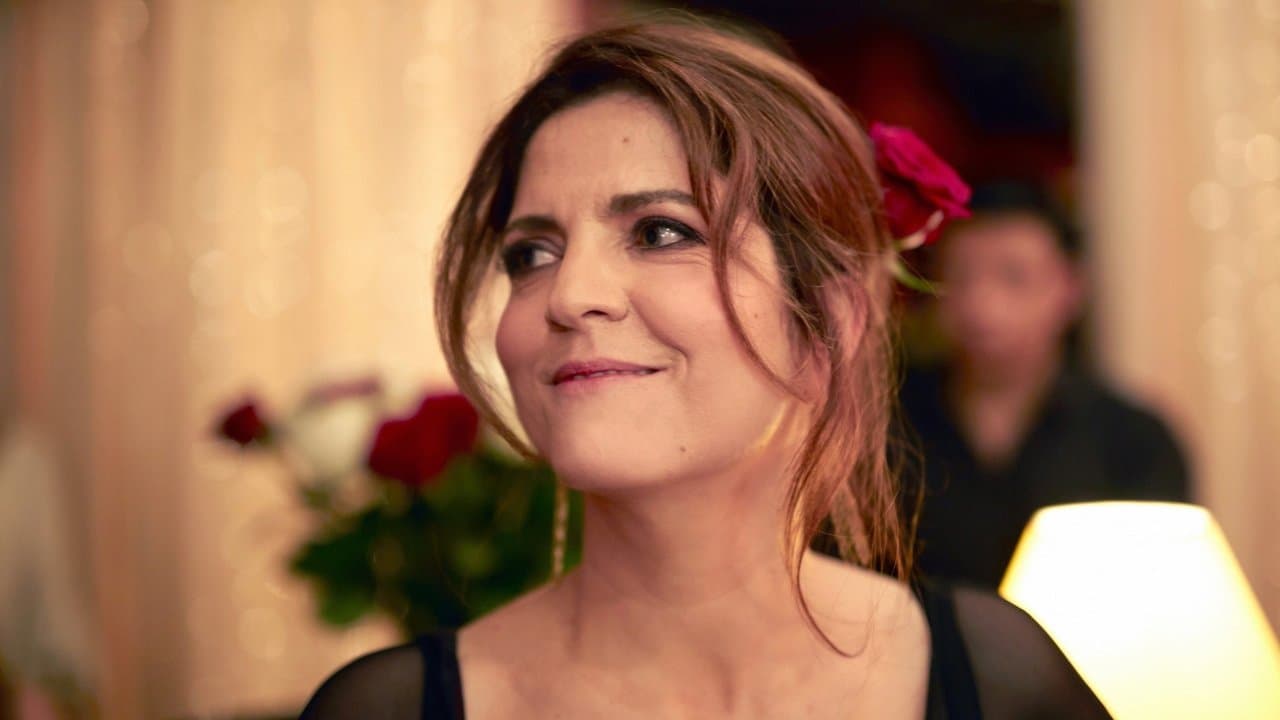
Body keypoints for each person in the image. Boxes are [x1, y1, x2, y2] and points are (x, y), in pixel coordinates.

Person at [301, 19, 1110, 719]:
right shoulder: (390, 709)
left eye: (660, 232)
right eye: (531, 254)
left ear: (832, 316)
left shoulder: (996, 679)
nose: (569, 295)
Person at [899, 183, 1191, 589]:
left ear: (1071, 288)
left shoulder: (1132, 439)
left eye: (1014, 278)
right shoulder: (889, 422)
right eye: (961, 276)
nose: (982, 304)